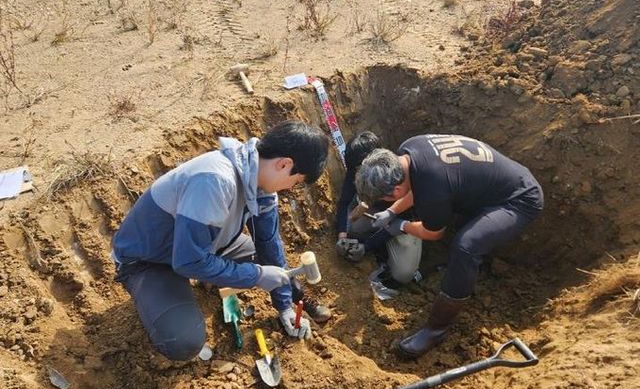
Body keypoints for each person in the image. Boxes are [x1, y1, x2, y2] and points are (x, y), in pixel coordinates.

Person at [111, 120, 332, 361]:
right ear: (284, 164)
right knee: (183, 341)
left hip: (207, 244)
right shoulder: (215, 181)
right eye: (296, 181)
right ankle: (167, 295)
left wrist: (284, 305)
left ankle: (294, 296)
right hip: (151, 260)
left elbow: (269, 245)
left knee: (271, 263)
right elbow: (189, 262)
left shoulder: (261, 183)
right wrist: (257, 275)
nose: (290, 187)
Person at [356, 134, 543, 358]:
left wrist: (401, 225)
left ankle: (436, 329)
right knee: (461, 227)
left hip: (519, 199)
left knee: (466, 247)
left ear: (394, 191)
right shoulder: (410, 149)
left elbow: (433, 232)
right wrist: (392, 210)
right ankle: (467, 267)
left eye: (387, 199)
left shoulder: (432, 190)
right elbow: (418, 185)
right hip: (498, 184)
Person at [335, 131, 422, 287]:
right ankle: (379, 252)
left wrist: (367, 247)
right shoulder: (357, 167)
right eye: (356, 170)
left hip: (403, 223)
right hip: (380, 215)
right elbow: (345, 202)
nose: (358, 174)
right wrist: (342, 235)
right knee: (352, 228)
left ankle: (388, 259)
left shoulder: (397, 176)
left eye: (360, 169)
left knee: (403, 274)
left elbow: (397, 224)